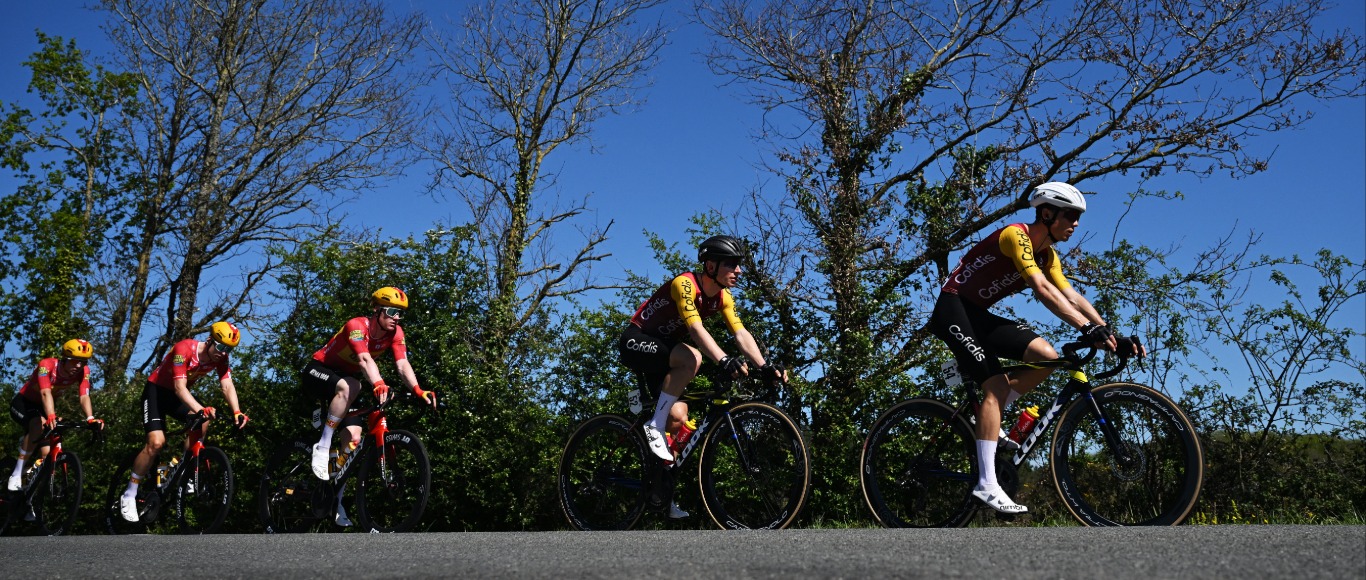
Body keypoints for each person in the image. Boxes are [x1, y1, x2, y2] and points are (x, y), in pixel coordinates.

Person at [928, 181, 1145, 515]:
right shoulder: (1016, 236)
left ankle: (990, 412)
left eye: (1078, 218)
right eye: (1070, 215)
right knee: (995, 386)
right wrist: (1086, 329)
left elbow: (1070, 295)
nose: (1075, 223)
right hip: (953, 309)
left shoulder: (1048, 253)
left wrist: (1109, 333)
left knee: (1046, 357)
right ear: (1047, 213)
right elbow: (1041, 288)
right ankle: (986, 484)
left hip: (979, 316)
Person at [617, 235, 784, 519]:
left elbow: (740, 334)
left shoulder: (722, 297)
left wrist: (764, 366)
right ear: (710, 266)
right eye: (731, 264)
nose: (739, 271)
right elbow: (695, 331)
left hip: (664, 354)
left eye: (739, 265)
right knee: (692, 357)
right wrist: (722, 359)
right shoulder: (684, 284)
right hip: (638, 341)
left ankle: (660, 490)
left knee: (679, 417)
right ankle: (653, 426)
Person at [300, 287, 436, 528]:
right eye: (392, 311)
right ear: (376, 310)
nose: (397, 318)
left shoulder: (395, 333)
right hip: (319, 371)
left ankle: (335, 501)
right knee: (352, 384)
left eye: (400, 313)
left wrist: (417, 389)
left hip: (347, 382)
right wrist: (379, 383)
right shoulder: (357, 326)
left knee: (353, 438)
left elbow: (402, 363)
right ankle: (322, 444)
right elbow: (364, 360)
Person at [120, 322, 250, 522]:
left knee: (203, 423)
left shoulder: (220, 357)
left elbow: (226, 385)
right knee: (156, 443)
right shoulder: (184, 349)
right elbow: (180, 388)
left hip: (175, 396)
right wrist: (200, 409)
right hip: (156, 392)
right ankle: (129, 493)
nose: (223, 353)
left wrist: (237, 411)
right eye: (221, 347)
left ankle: (186, 468)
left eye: (229, 349)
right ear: (209, 341)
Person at [7, 339, 104, 491]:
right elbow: (45, 392)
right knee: (37, 424)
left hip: (45, 408)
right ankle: (16, 473)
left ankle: (29, 500)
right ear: (65, 358)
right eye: (75, 361)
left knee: (47, 457)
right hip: (24, 403)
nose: (79, 366)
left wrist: (90, 418)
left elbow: (84, 396)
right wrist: (51, 415)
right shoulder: (47, 365)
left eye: (83, 362)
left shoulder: (83, 371)